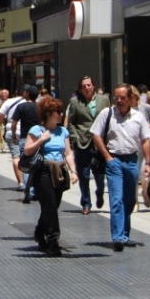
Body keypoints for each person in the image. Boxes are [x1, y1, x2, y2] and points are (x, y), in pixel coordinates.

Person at [91, 83, 150, 251]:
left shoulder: (138, 117)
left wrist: (148, 163)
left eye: (122, 98)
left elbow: (146, 140)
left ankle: (125, 234)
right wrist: (107, 157)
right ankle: (118, 237)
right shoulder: (107, 114)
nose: (119, 101)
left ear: (131, 99)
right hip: (114, 160)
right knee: (116, 199)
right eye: (116, 97)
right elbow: (95, 134)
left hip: (132, 161)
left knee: (130, 200)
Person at [22, 99, 78, 256]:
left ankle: (40, 231)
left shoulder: (63, 131)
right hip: (43, 172)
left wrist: (73, 171)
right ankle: (53, 241)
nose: (60, 115)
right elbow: (27, 150)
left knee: (51, 207)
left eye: (61, 112)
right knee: (50, 206)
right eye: (57, 112)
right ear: (48, 114)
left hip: (59, 171)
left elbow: (68, 153)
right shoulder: (37, 130)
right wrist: (41, 140)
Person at [64, 76, 109, 215]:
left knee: (100, 174)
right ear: (80, 88)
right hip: (82, 142)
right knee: (83, 174)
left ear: (93, 86)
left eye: (89, 85)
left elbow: (109, 119)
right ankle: (86, 203)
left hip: (100, 142)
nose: (87, 88)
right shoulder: (75, 102)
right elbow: (70, 122)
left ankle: (100, 192)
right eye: (84, 86)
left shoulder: (104, 100)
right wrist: (75, 137)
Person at [0, 89, 26, 190]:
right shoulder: (28, 103)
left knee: (16, 156)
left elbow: (0, 114)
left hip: (11, 131)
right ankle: (29, 182)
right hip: (27, 132)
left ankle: (21, 183)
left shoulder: (8, 102)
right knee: (27, 157)